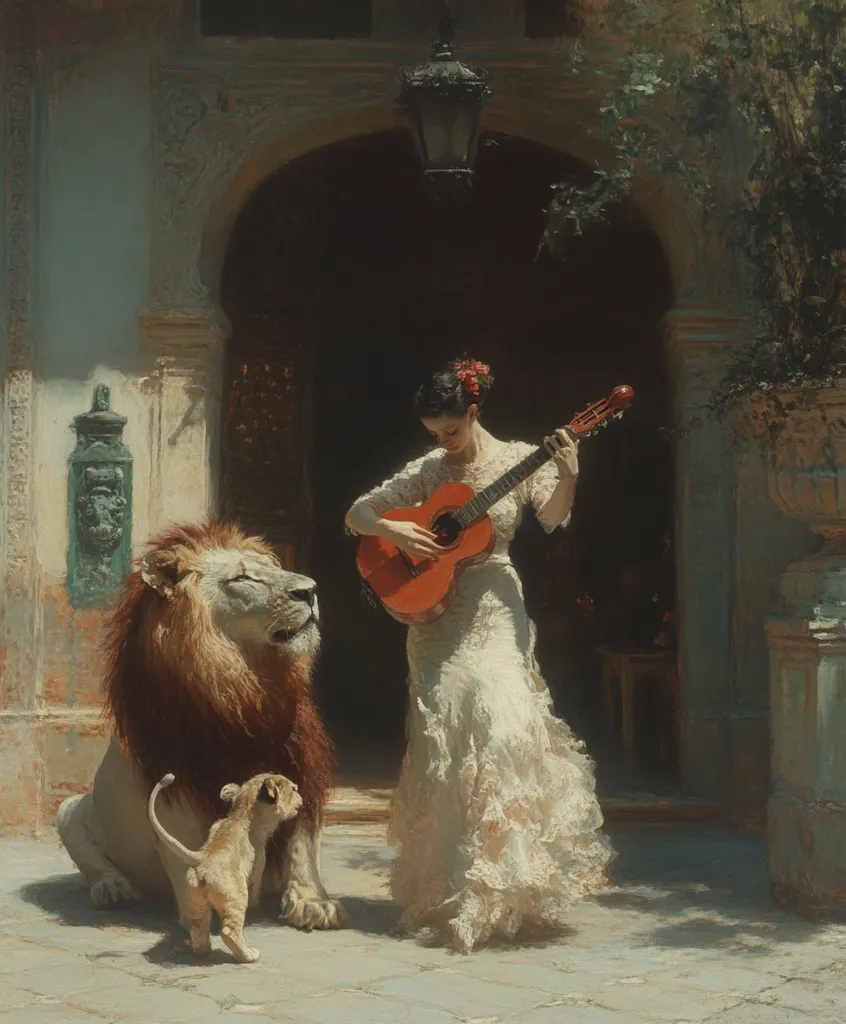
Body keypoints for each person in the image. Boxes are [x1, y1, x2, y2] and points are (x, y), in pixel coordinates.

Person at [345, 359, 614, 954]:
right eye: (433, 432)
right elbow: (356, 514)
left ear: (473, 412)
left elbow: (550, 518)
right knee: (446, 743)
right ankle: (455, 889)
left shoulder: (517, 458)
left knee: (501, 726)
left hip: (493, 608)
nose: (442, 442)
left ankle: (498, 886)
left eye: (450, 430)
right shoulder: (429, 471)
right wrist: (395, 531)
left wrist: (567, 474)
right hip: (434, 618)